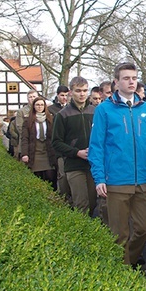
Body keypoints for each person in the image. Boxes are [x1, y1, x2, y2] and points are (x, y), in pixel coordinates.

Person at [88, 62, 146, 267]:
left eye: (134, 78)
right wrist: (99, 178)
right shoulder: (104, 110)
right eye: (126, 78)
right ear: (116, 82)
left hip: (144, 179)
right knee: (119, 234)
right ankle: (123, 274)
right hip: (117, 180)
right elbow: (97, 146)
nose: (131, 81)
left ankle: (126, 262)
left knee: (145, 228)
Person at [51, 77, 97, 216]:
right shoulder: (62, 115)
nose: (82, 94)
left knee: (93, 201)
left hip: (93, 163)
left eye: (84, 90)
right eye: (78, 91)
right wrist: (76, 152)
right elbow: (56, 142)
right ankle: (81, 234)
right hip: (73, 164)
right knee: (81, 203)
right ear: (71, 92)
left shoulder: (95, 111)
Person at [20, 96, 57, 189]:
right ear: (34, 106)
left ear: (45, 106)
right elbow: (24, 138)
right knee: (37, 177)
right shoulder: (27, 121)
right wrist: (24, 154)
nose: (39, 107)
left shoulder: (51, 119)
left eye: (41, 105)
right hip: (35, 152)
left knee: (50, 176)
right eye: (37, 105)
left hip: (48, 152)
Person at [9, 89, 39, 160]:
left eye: (34, 96)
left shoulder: (42, 109)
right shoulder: (21, 111)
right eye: (30, 97)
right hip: (26, 144)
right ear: (27, 98)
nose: (32, 98)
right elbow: (20, 128)